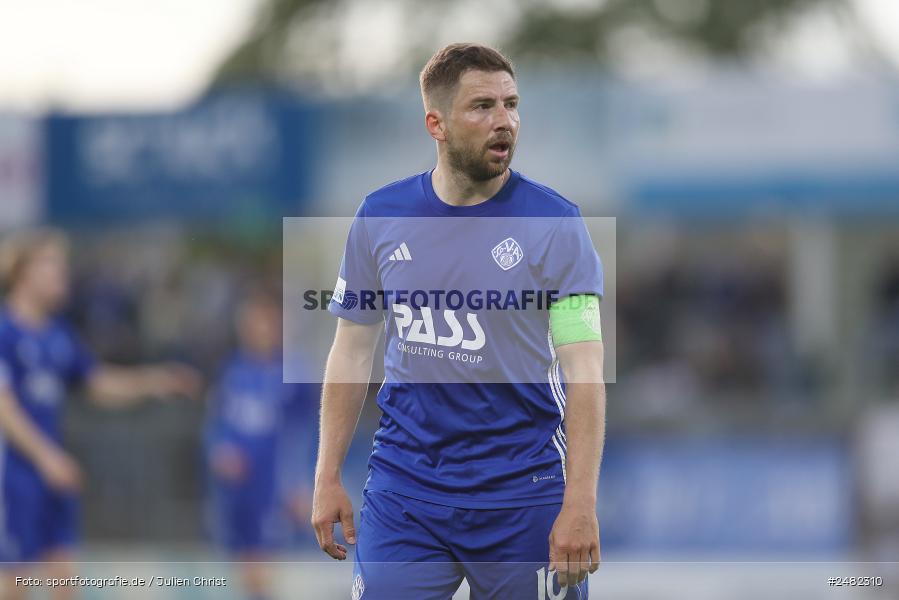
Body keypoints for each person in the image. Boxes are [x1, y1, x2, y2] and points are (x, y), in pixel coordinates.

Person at [311, 43, 606, 599]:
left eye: (512, 104)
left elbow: (585, 370)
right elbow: (351, 350)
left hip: (524, 493)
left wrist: (581, 502)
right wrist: (326, 475)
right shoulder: (381, 216)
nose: (505, 121)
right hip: (406, 494)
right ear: (436, 124)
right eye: (483, 106)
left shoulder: (556, 223)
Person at [0, 228, 202, 600]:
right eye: (52, 263)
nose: (63, 273)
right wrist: (46, 458)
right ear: (23, 270)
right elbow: (3, 406)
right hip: (14, 476)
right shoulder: (5, 331)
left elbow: (98, 383)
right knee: (15, 585)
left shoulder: (57, 335)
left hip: (52, 476)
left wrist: (157, 380)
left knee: (65, 580)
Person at [204, 287, 318, 600]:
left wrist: (301, 482)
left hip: (273, 487)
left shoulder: (292, 373)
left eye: (265, 321)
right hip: (237, 490)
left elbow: (308, 432)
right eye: (251, 321)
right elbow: (217, 425)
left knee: (265, 570)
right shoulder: (233, 372)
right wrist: (219, 450)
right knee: (244, 570)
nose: (257, 328)